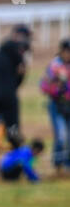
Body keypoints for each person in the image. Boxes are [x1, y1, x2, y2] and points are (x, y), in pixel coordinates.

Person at [0, 24, 30, 138]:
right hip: (8, 96)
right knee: (13, 128)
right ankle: (15, 148)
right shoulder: (18, 57)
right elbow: (21, 74)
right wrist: (14, 84)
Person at [39, 38, 70, 172]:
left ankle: (67, 165)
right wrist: (57, 89)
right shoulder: (54, 66)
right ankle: (58, 165)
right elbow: (44, 86)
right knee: (62, 135)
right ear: (62, 51)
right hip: (57, 105)